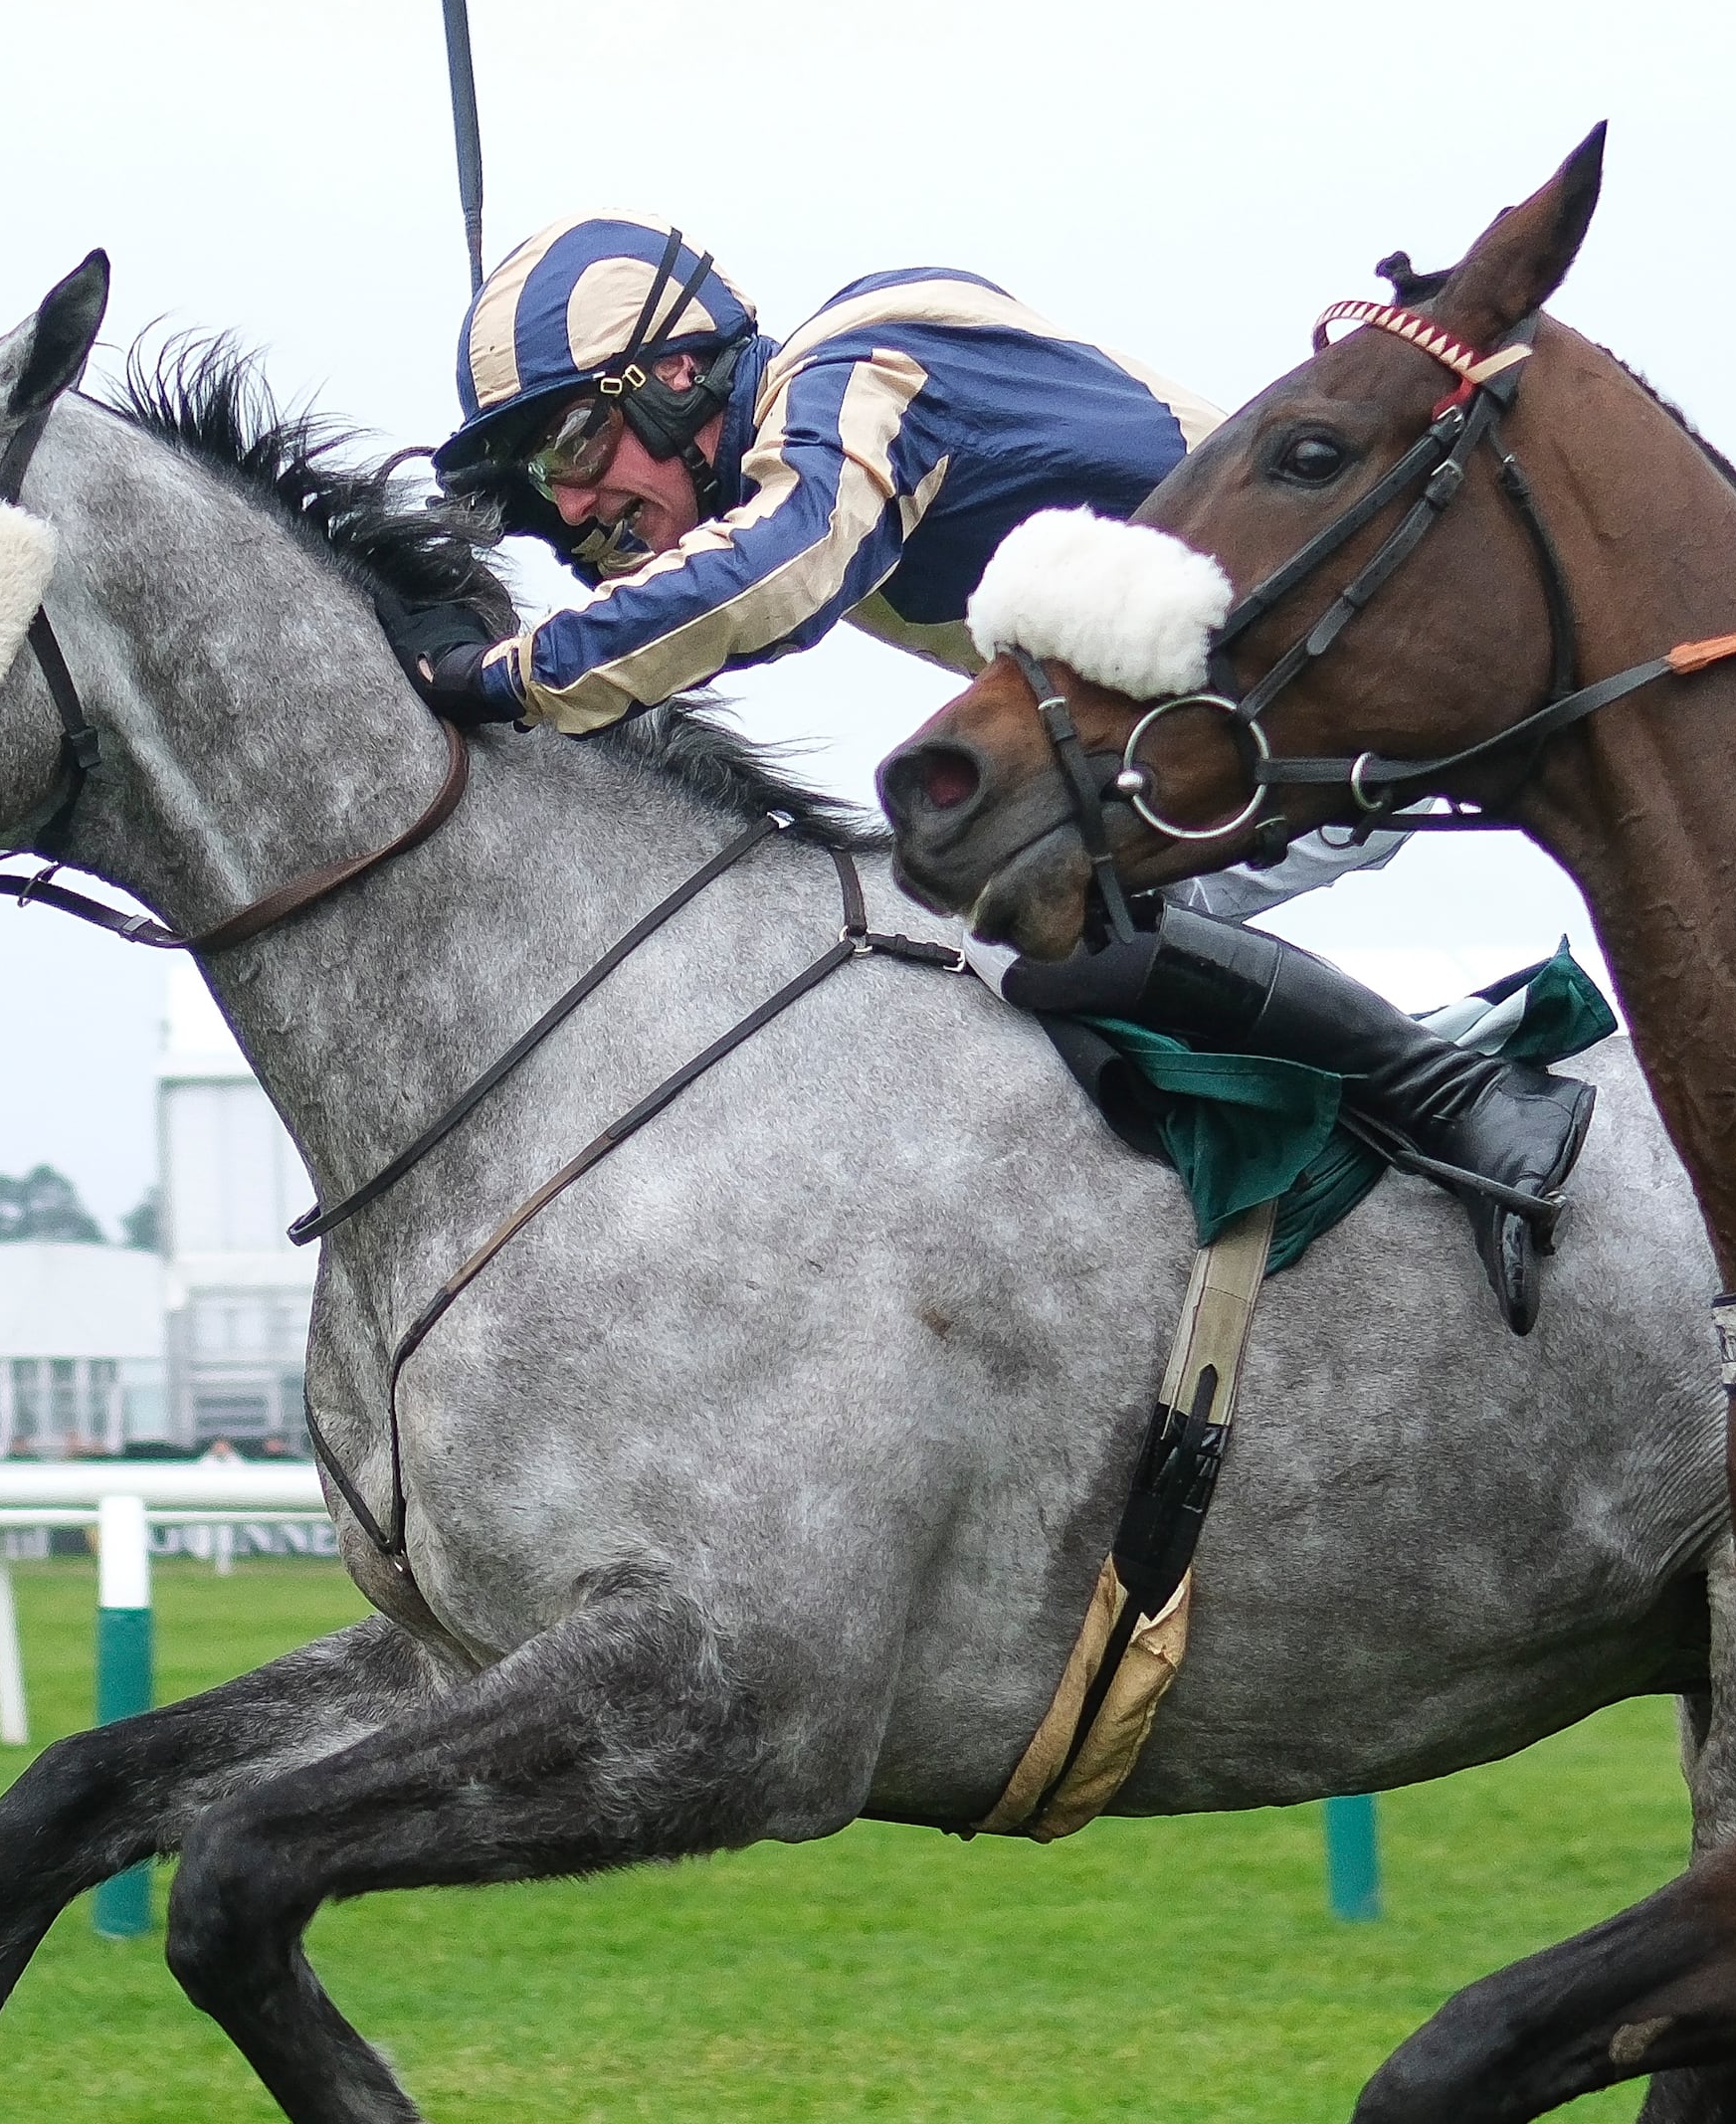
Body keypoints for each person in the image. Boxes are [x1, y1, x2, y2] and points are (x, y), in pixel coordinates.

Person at [415, 214, 1595, 1327]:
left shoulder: (855, 370)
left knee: (995, 915)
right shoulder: (816, 422)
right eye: (542, 484)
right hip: (1202, 723)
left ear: (679, 378)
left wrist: (499, 674)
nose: (571, 504)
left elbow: (770, 573)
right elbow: (694, 574)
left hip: (1302, 695)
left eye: (573, 444)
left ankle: (1463, 1098)